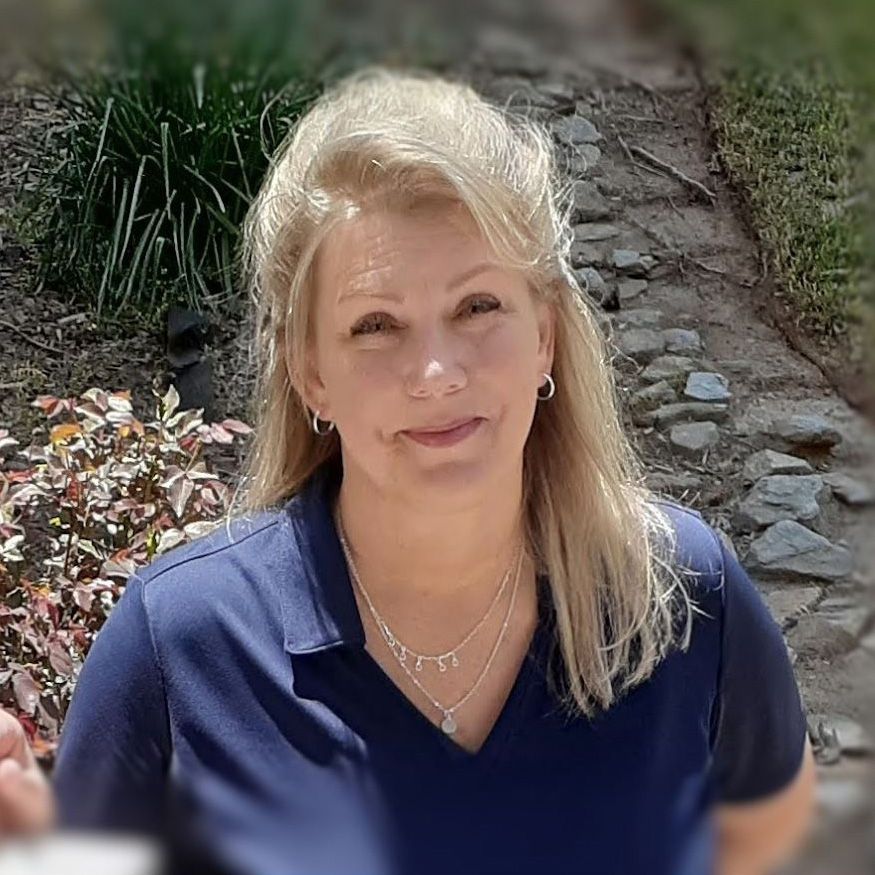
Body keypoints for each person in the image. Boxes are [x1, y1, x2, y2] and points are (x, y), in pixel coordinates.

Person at [0, 65, 816, 874]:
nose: (436, 373)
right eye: (375, 325)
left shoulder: (684, 601)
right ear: (310, 371)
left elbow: (776, 843)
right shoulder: (178, 647)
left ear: (546, 333)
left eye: (477, 307)